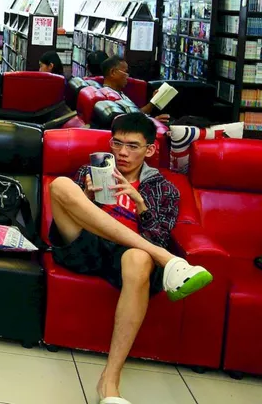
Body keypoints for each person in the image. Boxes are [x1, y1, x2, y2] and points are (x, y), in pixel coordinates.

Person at [47, 112, 212, 404]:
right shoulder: (91, 170)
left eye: (133, 146)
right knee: (60, 185)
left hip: (127, 259)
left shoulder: (163, 188)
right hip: (87, 246)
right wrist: (87, 197)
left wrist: (141, 205)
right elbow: (68, 214)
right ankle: (167, 260)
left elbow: (158, 236)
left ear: (149, 150)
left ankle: (109, 382)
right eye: (117, 143)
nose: (122, 152)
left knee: (139, 258)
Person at [101, 56, 169, 123]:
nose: (127, 76)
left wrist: (153, 102)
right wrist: (153, 121)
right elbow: (129, 124)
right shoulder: (111, 97)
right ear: (113, 72)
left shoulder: (116, 92)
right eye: (126, 72)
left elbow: (136, 114)